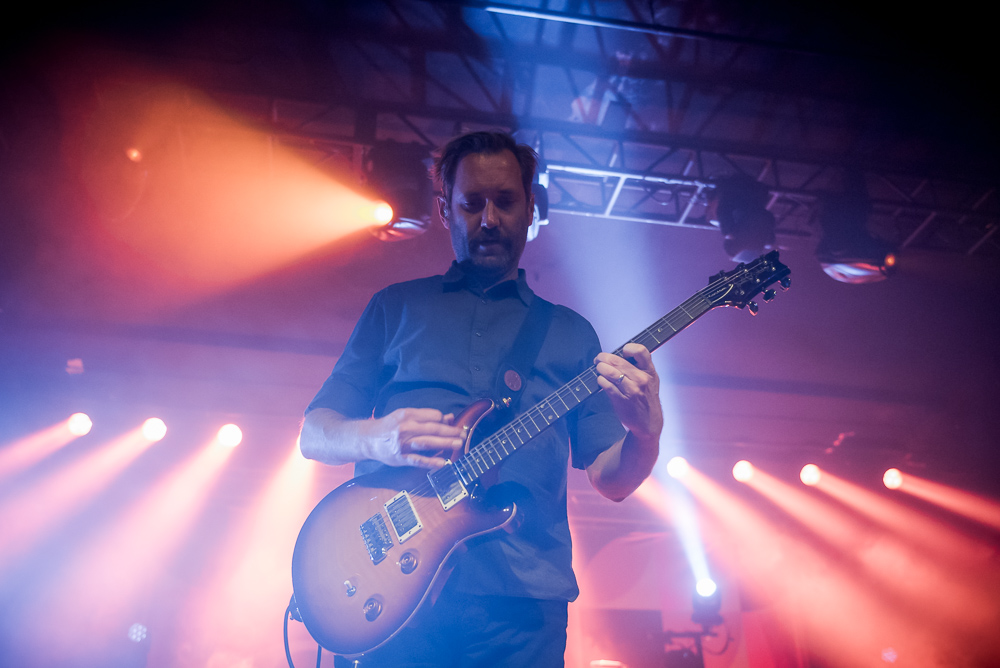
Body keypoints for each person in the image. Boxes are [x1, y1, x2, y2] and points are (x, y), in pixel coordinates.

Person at [299, 131, 663, 667]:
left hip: (521, 604)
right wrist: (375, 436)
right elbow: (315, 432)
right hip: (396, 595)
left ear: (530, 208)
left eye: (506, 201)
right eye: (472, 204)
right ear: (445, 211)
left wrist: (645, 435)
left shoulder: (571, 333)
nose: (489, 219)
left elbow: (612, 481)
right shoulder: (394, 308)